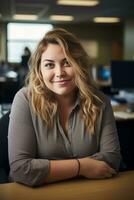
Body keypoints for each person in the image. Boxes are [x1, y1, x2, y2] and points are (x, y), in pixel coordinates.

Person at [8, 28, 121, 187]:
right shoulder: (25, 99)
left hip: (88, 191)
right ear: (40, 69)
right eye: (49, 65)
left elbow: (111, 159)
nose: (59, 72)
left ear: (79, 64)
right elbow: (21, 169)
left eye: (67, 62)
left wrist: (47, 170)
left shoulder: (100, 101)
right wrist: (83, 167)